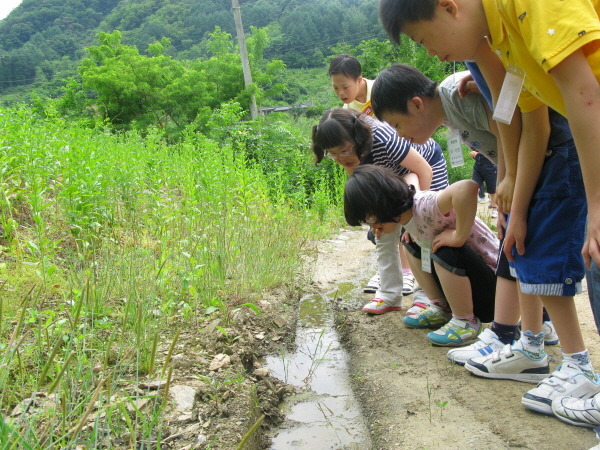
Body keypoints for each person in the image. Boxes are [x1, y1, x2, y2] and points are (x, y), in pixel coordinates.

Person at [377, 0, 600, 422]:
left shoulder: (526, 11)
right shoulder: (498, 40)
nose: (428, 53)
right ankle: (532, 344)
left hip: (569, 156)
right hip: (546, 158)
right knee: (529, 253)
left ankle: (570, 361)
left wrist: (594, 202)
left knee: (560, 260)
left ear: (449, 7)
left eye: (424, 39)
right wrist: (512, 194)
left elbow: (580, 94)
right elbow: (525, 117)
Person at [370, 62, 559, 352]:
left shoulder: (455, 94)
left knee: (531, 249)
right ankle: (536, 325)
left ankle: (535, 329)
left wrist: (507, 178)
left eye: (397, 125)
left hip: (547, 168)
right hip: (532, 173)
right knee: (522, 247)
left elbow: (506, 124)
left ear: (417, 104)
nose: (400, 135)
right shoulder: (450, 109)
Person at [312, 108, 449, 315]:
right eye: (332, 153)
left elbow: (423, 170)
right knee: (383, 233)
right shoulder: (346, 155)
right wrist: (374, 220)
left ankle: (427, 296)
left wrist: (421, 216)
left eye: (344, 150)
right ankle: (389, 294)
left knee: (423, 236)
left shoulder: (384, 137)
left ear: (357, 138)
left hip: (424, 169)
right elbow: (359, 182)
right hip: (387, 179)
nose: (340, 158)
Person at [344, 165, 497, 346]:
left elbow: (468, 187)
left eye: (370, 219)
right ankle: (441, 308)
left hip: (493, 293)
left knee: (445, 250)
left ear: (382, 204)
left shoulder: (425, 205)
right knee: (409, 242)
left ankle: (465, 322)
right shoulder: (409, 220)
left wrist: (458, 236)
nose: (372, 227)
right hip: (471, 291)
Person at [329, 54, 418, 295]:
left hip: (404, 156)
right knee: (379, 225)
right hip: (379, 167)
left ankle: (409, 273)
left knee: (404, 219)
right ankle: (391, 273)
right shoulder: (347, 111)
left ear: (360, 80)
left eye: (345, 86)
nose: (340, 92)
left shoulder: (380, 93)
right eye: (335, 88)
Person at [470, 150, 498, 218]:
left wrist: (480, 152)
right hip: (478, 165)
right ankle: (472, 212)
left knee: (492, 190)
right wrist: (473, 152)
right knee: (474, 187)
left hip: (490, 166)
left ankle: (495, 209)